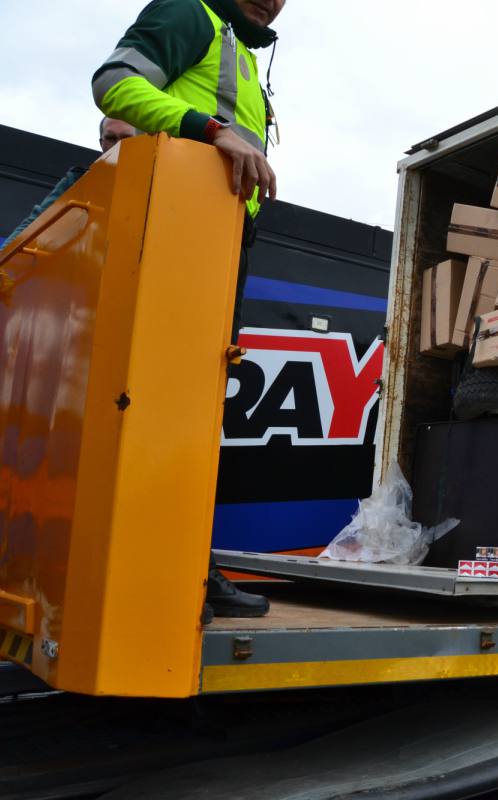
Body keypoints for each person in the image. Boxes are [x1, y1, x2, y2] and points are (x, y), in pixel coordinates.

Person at [92, 0, 288, 621]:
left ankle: (182, 569)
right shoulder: (192, 13)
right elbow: (113, 85)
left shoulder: (236, 46)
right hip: (182, 225)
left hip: (216, 231)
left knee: (192, 406)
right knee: (171, 401)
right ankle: (165, 578)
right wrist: (211, 130)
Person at [7, 117, 136, 241]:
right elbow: (37, 220)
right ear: (101, 143)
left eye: (126, 138)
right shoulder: (78, 180)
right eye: (111, 138)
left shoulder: (155, 182)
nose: (119, 144)